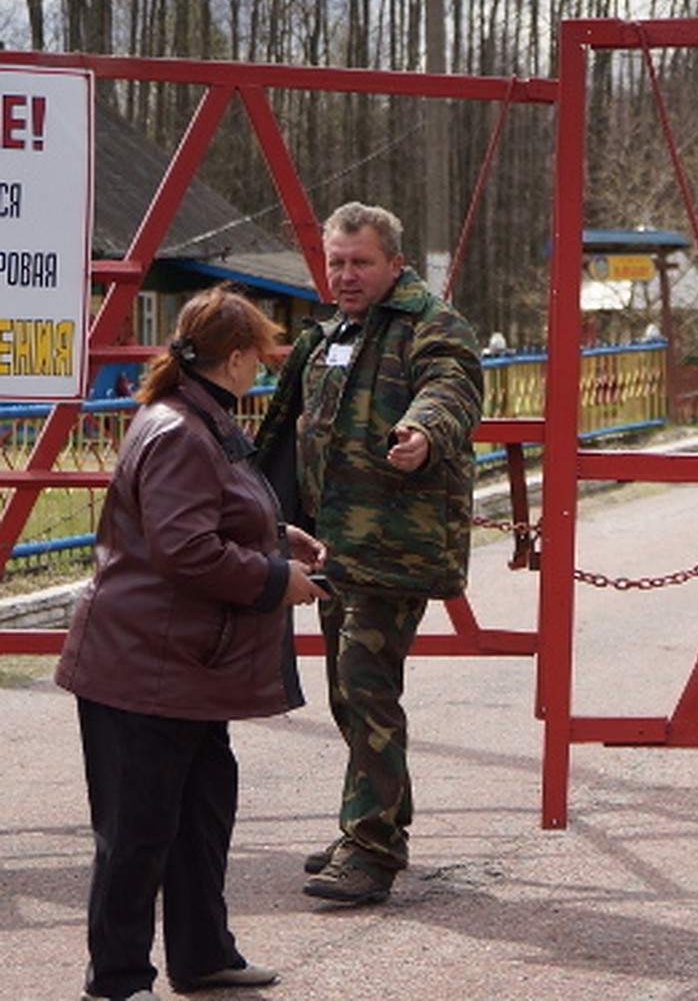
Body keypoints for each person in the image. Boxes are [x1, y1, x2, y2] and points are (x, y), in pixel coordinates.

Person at [56, 287, 329, 1001]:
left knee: (199, 820)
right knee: (137, 833)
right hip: (144, 668)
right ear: (234, 358)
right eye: (259, 355)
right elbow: (183, 550)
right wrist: (276, 578)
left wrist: (276, 536)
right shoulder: (182, 428)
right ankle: (117, 981)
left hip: (179, 668)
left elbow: (212, 515)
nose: (264, 368)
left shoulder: (193, 416)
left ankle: (203, 954)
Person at [255, 201, 483, 906]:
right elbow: (287, 426)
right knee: (349, 694)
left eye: (361, 262)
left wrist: (422, 432)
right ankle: (373, 820)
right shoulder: (327, 335)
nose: (347, 275)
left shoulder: (433, 327)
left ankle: (373, 849)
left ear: (395, 264)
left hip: (394, 544)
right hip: (331, 546)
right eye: (337, 262)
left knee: (365, 685)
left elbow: (451, 390)